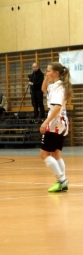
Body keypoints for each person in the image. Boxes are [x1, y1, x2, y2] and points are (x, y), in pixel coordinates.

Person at [40, 62, 73, 192]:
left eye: (48, 71)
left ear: (56, 73)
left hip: (55, 122)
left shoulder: (58, 87)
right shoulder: (55, 85)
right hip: (61, 122)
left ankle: (61, 179)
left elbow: (57, 107)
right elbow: (43, 89)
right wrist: (47, 77)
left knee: (44, 154)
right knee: (56, 154)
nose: (46, 73)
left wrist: (45, 122)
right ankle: (62, 181)